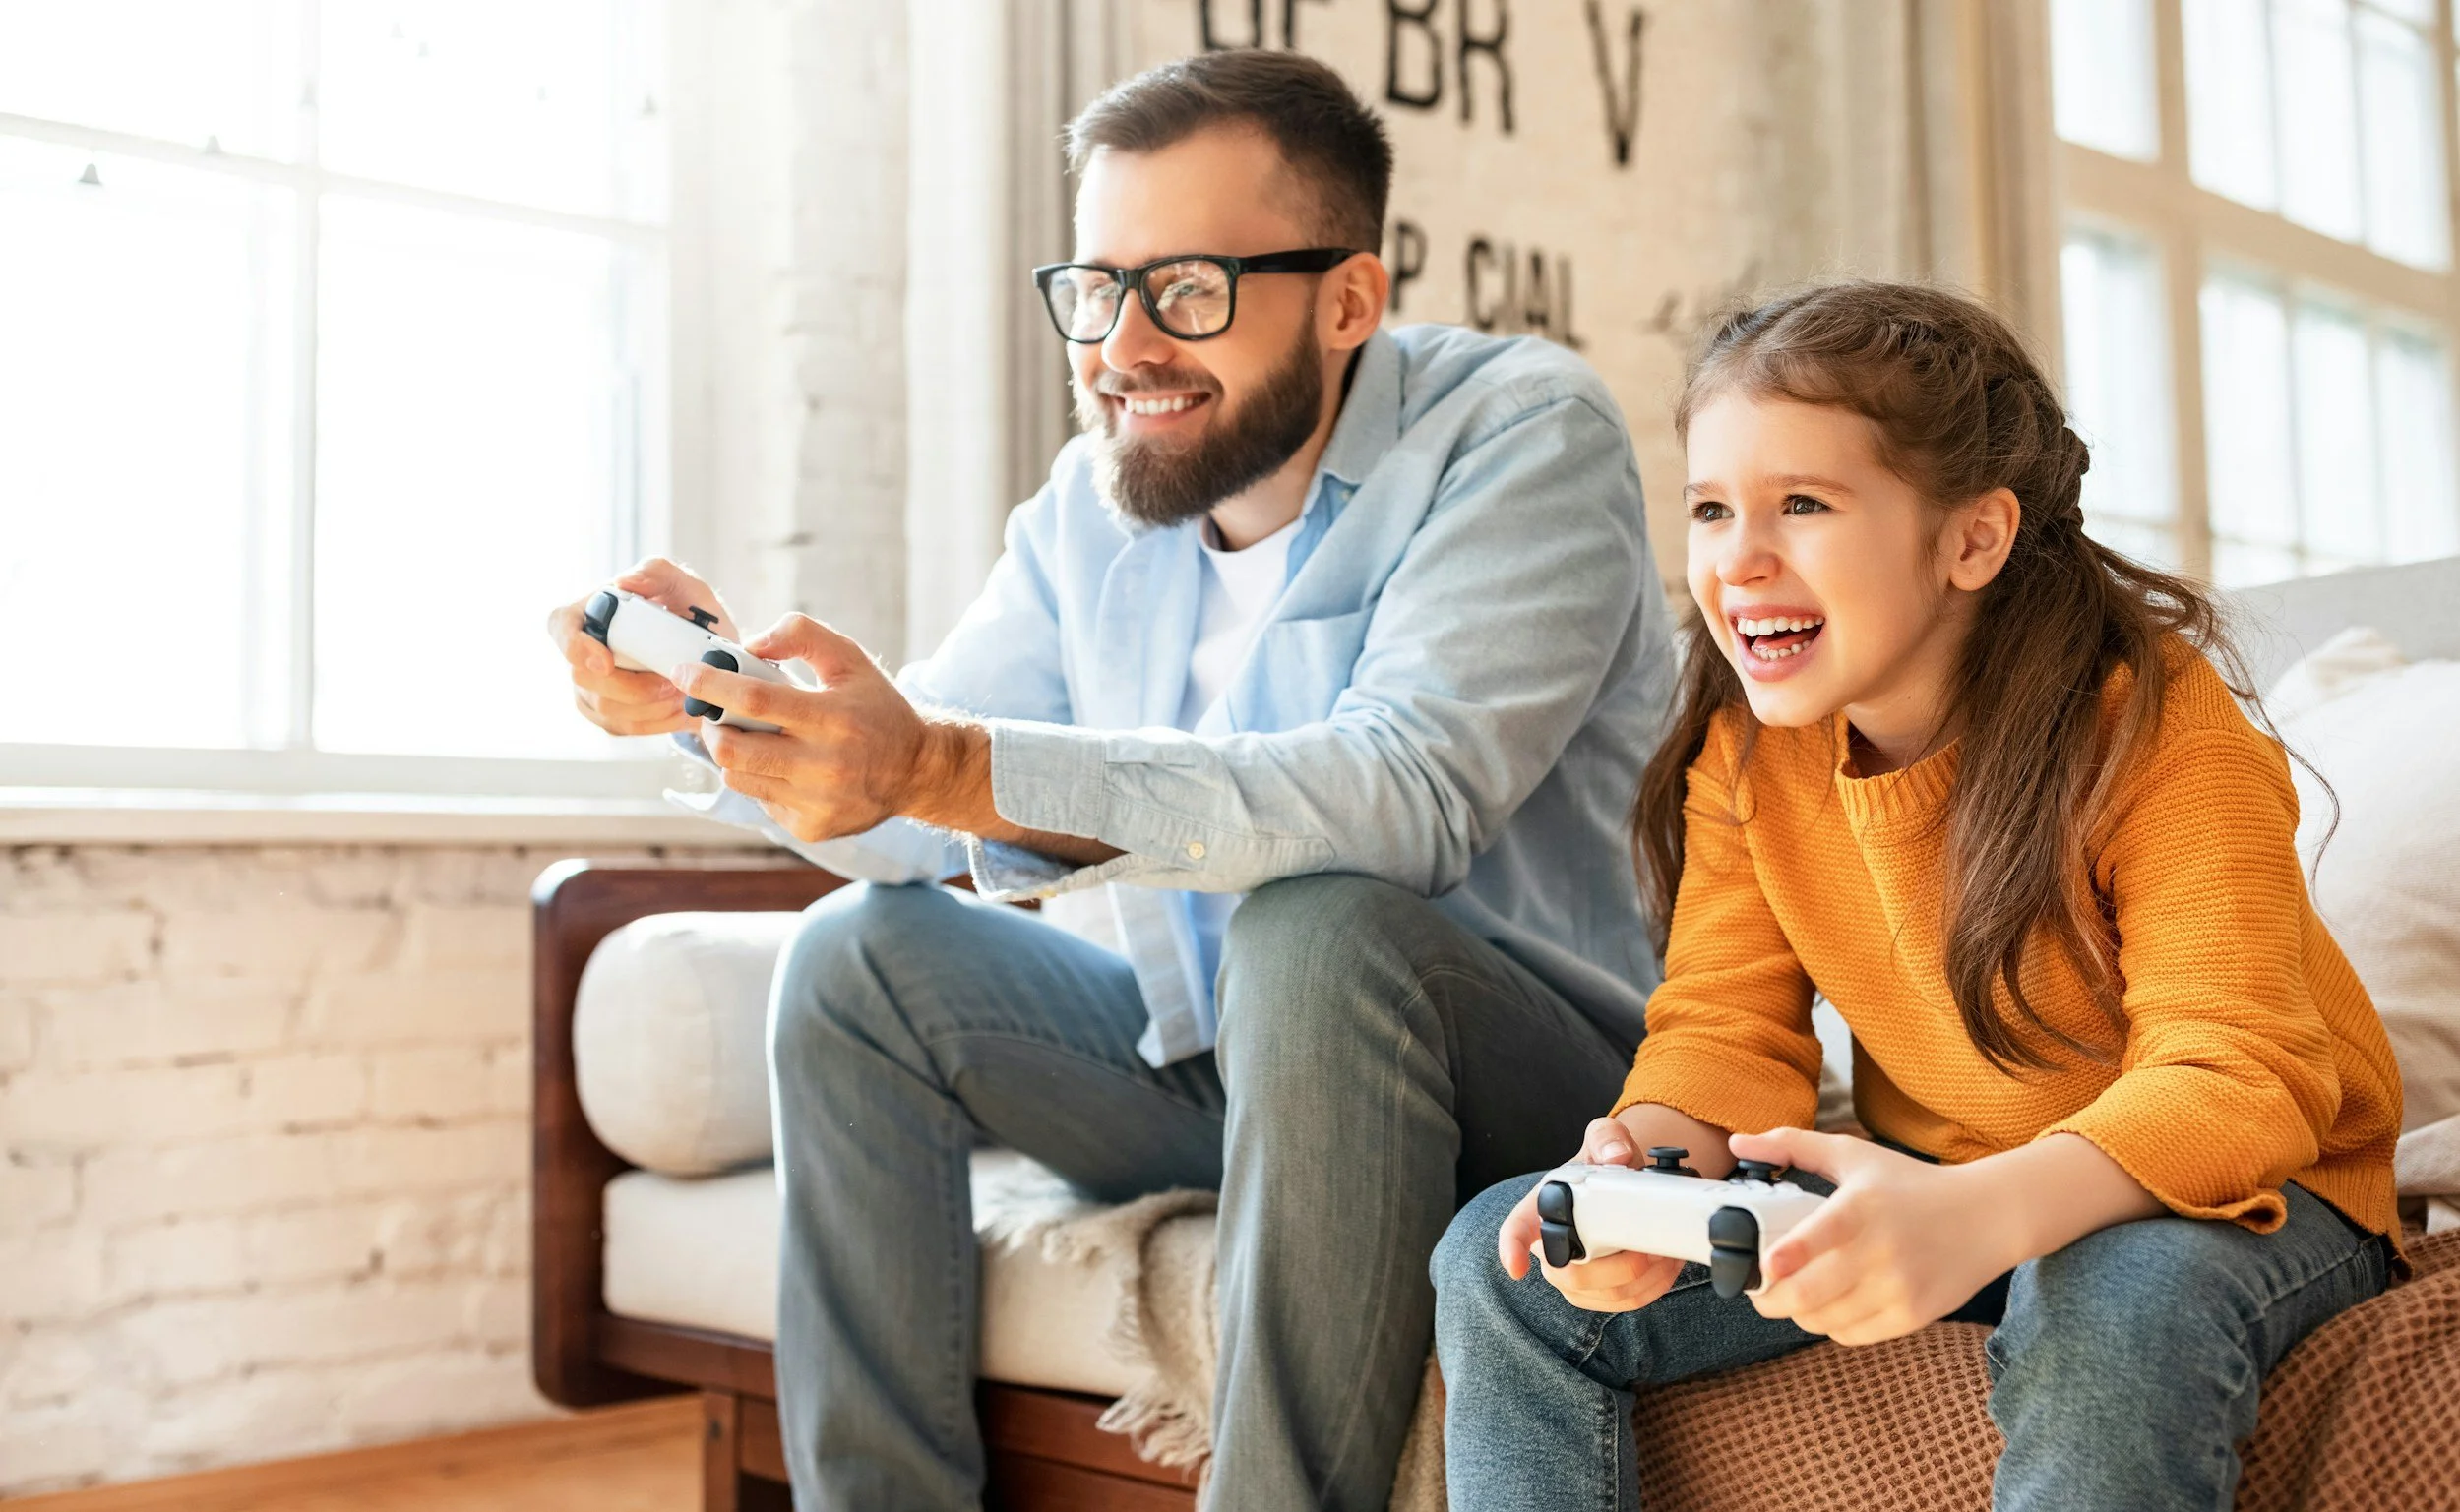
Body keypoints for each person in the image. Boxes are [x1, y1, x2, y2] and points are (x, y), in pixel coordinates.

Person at [549, 50, 1675, 1511]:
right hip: (1224, 1062)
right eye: (1096, 288)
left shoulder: (1522, 432)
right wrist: (727, 717)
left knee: (1317, 920)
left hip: (1531, 1081)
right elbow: (913, 789)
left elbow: (1408, 797)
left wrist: (944, 763)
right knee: (858, 960)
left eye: (1188, 289)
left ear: (1347, 300)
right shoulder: (1097, 501)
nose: (1121, 345)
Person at [1433, 281, 2406, 1511]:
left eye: (1802, 504)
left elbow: (2241, 1078)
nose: (1738, 559)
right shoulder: (1749, 753)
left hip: (2245, 1193)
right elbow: (1723, 1030)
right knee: (1496, 1259)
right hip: (1941, 1186)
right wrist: (1644, 1176)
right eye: (1712, 508)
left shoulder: (2159, 733)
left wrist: (1980, 1214)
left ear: (1972, 539)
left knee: (2106, 1290)